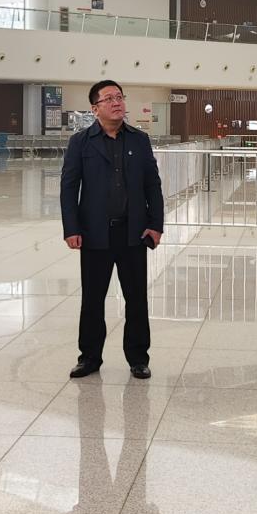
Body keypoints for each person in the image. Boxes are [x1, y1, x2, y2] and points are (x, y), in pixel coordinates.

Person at [61, 79, 165, 380]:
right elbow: (69, 188)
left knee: (136, 299)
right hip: (95, 234)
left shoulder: (139, 140)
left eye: (119, 97)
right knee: (92, 300)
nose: (117, 102)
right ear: (95, 109)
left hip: (133, 233)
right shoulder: (81, 142)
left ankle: (138, 358)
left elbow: (152, 185)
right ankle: (89, 357)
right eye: (109, 99)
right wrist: (71, 228)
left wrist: (155, 225)